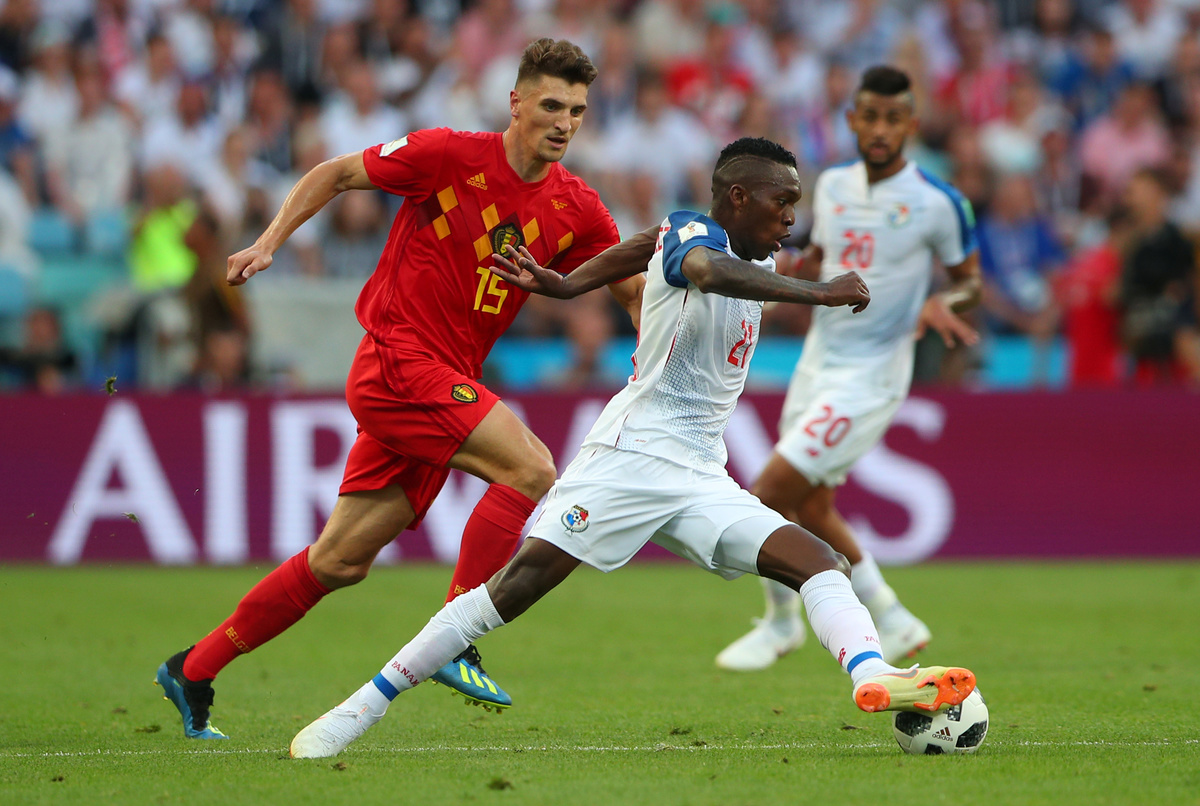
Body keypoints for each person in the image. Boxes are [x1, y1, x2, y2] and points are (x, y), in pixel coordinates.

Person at [287, 137, 977, 759]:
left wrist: (566, 283)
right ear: (739, 197)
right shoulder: (697, 233)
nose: (792, 217)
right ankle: (361, 707)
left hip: (701, 474)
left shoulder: (732, 249)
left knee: (821, 562)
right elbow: (701, 267)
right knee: (515, 587)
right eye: (782, 202)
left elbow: (638, 244)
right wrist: (818, 292)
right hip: (630, 457)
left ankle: (873, 675)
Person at [155, 38, 636, 740]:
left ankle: (193, 669)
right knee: (532, 470)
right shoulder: (446, 156)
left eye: (578, 111)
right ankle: (456, 635)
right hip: (397, 363)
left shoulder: (576, 206)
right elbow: (336, 173)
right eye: (552, 106)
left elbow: (630, 287)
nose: (565, 123)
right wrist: (268, 242)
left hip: (447, 381)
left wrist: (659, 351)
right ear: (516, 103)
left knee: (340, 561)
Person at [714, 66, 982, 672]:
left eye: (894, 119)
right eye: (871, 117)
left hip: (872, 375)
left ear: (911, 125)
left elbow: (971, 282)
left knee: (770, 492)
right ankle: (892, 614)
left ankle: (781, 624)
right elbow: (815, 258)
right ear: (852, 120)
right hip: (818, 363)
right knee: (810, 506)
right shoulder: (832, 186)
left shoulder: (939, 203)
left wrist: (946, 300)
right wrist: (785, 278)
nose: (881, 129)